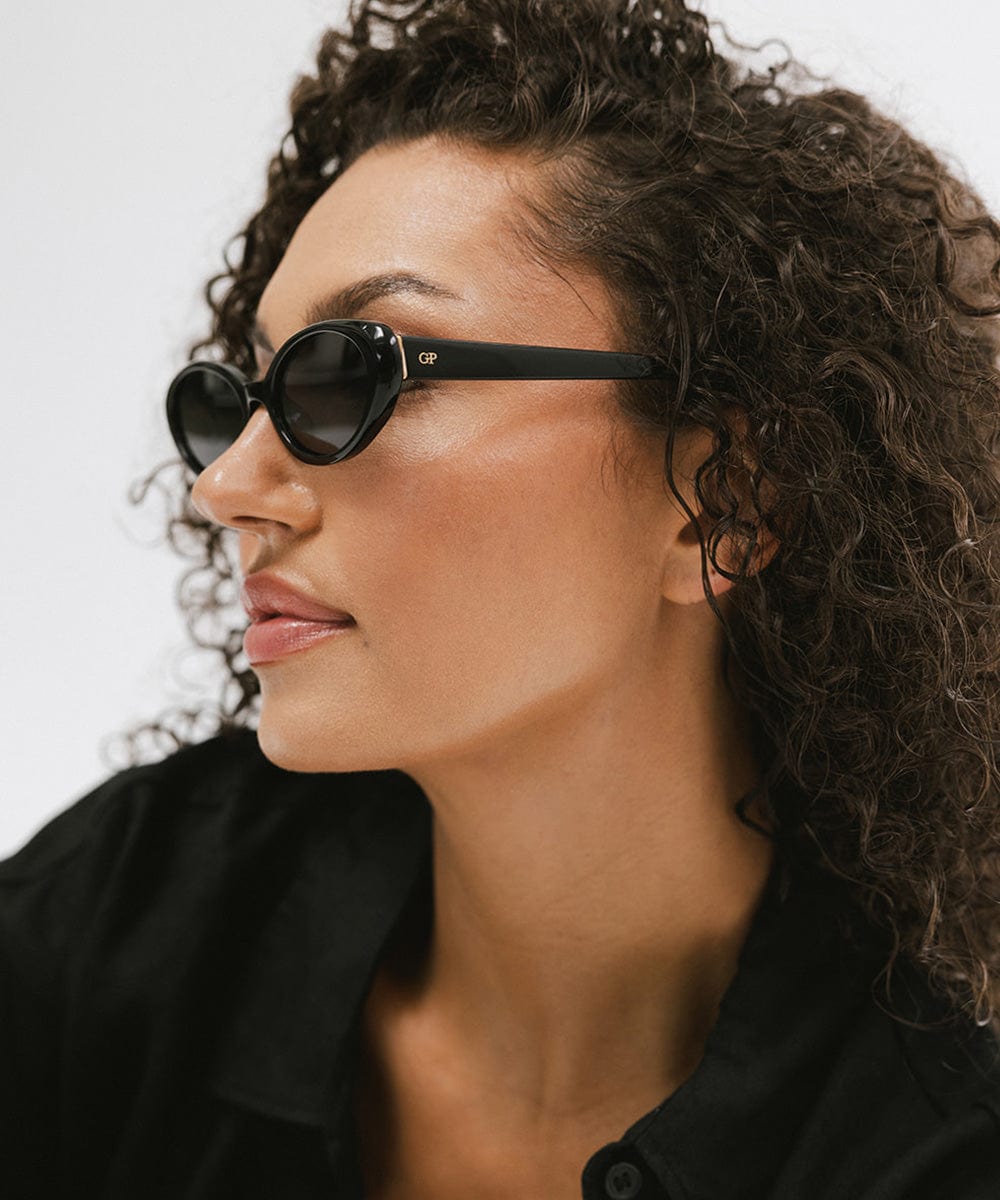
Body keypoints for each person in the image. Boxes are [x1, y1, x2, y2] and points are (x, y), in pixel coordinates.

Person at [3, 0, 1000, 1196]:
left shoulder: (938, 1144)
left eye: (353, 370)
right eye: (241, 397)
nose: (226, 487)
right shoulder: (117, 938)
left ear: (723, 502)